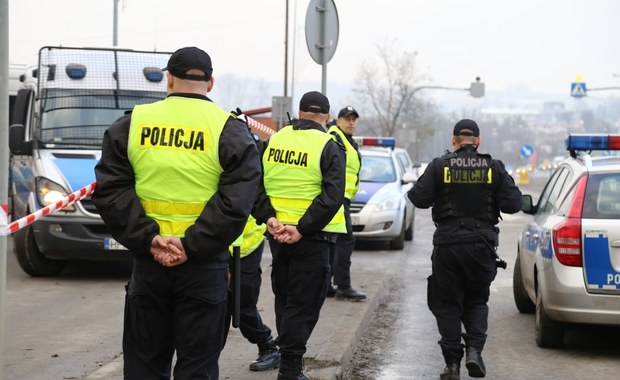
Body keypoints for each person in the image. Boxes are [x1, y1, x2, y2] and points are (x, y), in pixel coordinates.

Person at [92, 46, 262, 380]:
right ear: (210, 83)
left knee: (144, 365)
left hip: (149, 266)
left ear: (168, 79)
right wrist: (192, 245)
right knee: (197, 366)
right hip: (204, 268)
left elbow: (110, 191)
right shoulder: (229, 130)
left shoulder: (133, 123)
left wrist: (150, 239)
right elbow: (237, 202)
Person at [407, 119, 522, 380]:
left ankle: (451, 366)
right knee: (476, 300)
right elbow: (514, 204)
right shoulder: (493, 167)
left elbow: (417, 198)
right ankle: (474, 352)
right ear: (478, 141)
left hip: (447, 245)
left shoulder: (439, 165)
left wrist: (440, 187)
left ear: (454, 140)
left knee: (447, 303)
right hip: (481, 245)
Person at [253, 91, 346, 380]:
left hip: (277, 236)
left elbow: (256, 183)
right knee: (303, 304)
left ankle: (289, 362)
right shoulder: (329, 145)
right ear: (327, 118)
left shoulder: (275, 140)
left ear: (300, 112)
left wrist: (269, 218)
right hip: (312, 238)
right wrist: (302, 229)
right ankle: (291, 370)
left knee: (285, 299)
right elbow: (332, 198)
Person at [326, 106, 367, 301]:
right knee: (345, 240)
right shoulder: (335, 137)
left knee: (334, 241)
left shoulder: (344, 139)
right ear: (338, 120)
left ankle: (327, 285)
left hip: (341, 197)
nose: (351, 122)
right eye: (347, 119)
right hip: (338, 198)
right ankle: (343, 285)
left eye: (354, 119)